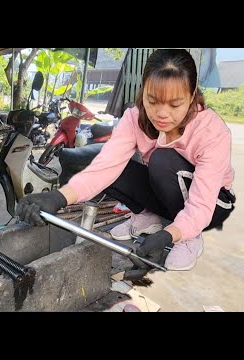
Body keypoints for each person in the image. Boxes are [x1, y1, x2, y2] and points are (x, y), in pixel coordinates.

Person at [16, 49, 235, 278]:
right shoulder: (134, 117)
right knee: (110, 166)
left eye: (174, 104)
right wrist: (57, 197)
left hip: (212, 204)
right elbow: (104, 168)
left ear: (191, 98)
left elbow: (202, 204)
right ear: (144, 93)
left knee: (162, 160)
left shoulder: (211, 131)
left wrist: (170, 235)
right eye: (152, 101)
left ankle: (190, 237)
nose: (161, 114)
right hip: (170, 192)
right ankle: (148, 216)